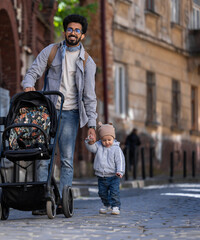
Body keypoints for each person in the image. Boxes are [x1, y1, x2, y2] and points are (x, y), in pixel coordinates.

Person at [22, 14, 97, 214]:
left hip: (71, 114)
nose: (73, 33)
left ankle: (64, 201)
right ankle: (41, 200)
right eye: (70, 29)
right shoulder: (52, 51)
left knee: (65, 159)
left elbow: (90, 97)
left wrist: (92, 125)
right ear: (64, 32)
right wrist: (29, 85)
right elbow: (33, 71)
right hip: (49, 112)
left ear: (83, 35)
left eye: (77, 30)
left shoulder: (88, 63)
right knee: (43, 156)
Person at [85, 122, 125, 215]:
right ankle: (107, 206)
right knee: (102, 193)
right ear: (101, 139)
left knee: (114, 192)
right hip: (101, 176)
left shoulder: (116, 149)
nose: (107, 142)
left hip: (113, 176)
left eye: (109, 140)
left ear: (113, 138)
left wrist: (120, 171)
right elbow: (91, 148)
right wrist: (88, 141)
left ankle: (115, 207)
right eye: (104, 140)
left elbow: (120, 161)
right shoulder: (98, 146)